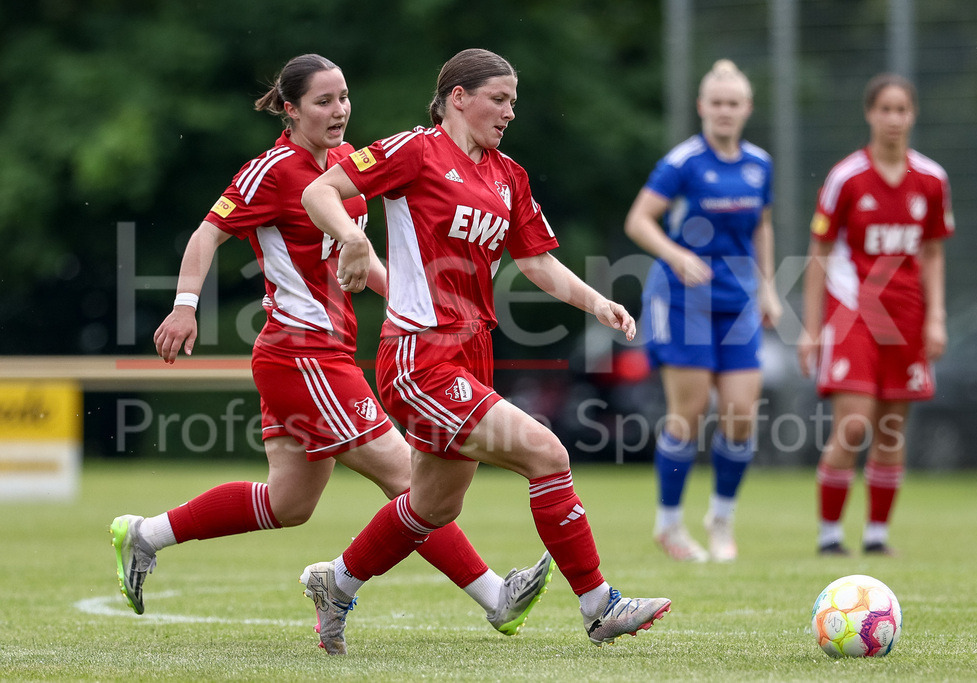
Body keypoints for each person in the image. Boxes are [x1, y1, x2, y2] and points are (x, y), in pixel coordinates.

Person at [108, 54, 554, 641]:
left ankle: (144, 535)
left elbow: (360, 258)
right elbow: (207, 233)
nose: (340, 110)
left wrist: (418, 304)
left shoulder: (347, 164)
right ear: (291, 110)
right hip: (301, 352)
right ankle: (494, 596)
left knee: (289, 504)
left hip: (326, 353)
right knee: (406, 477)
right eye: (324, 101)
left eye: (344, 97)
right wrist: (185, 306)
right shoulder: (272, 170)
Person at [297, 48, 671, 655]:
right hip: (420, 356)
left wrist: (598, 303)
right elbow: (321, 192)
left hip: (472, 353)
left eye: (513, 103)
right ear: (458, 96)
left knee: (432, 506)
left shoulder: (508, 175)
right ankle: (600, 606)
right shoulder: (415, 151)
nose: (508, 113)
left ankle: (336, 583)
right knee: (546, 452)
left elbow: (536, 261)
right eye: (498, 99)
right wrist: (353, 240)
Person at [623, 59, 782, 563]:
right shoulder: (683, 162)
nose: (724, 111)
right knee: (688, 414)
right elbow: (639, 221)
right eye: (716, 103)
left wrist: (769, 289)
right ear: (701, 108)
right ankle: (669, 525)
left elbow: (762, 227)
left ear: (747, 109)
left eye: (733, 103)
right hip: (681, 298)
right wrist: (677, 254)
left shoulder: (759, 163)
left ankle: (721, 518)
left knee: (739, 415)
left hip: (736, 301)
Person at [797, 73, 953, 556]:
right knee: (855, 423)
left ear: (913, 115)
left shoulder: (931, 180)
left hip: (906, 315)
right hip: (853, 313)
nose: (893, 119)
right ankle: (828, 536)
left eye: (901, 110)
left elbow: (931, 253)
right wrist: (810, 327)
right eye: (884, 109)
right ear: (870, 114)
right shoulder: (847, 178)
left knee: (892, 425)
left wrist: (936, 317)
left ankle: (878, 536)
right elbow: (818, 253)